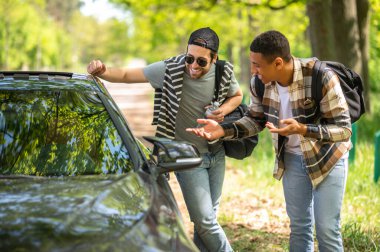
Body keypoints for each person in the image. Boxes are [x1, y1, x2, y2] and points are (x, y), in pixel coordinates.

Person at [187, 30, 351, 252]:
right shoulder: (260, 83)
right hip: (292, 159)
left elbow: (343, 130)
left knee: (327, 229)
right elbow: (255, 121)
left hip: (328, 158)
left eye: (257, 65)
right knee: (300, 227)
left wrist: (303, 129)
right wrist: (221, 131)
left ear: (278, 63)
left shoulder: (321, 76)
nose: (253, 71)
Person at [87, 27, 242, 252]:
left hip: (216, 154)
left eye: (201, 61)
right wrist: (102, 70)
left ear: (214, 58)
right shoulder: (170, 70)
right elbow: (127, 75)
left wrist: (222, 110)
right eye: (189, 58)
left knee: (207, 221)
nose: (193, 66)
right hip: (186, 157)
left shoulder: (223, 72)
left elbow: (236, 96)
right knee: (206, 222)